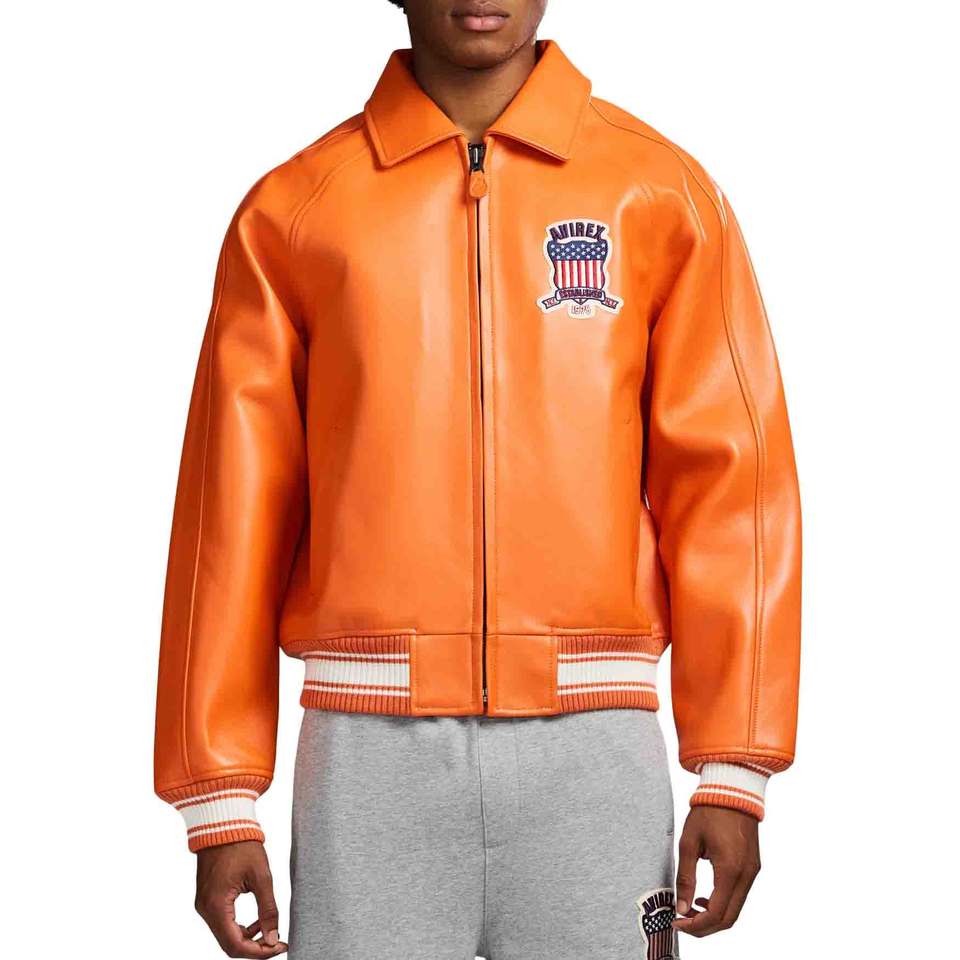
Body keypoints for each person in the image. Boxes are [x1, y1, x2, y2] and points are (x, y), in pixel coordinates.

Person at [154, 1, 802, 957]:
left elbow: (732, 489)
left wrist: (734, 771)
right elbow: (231, 510)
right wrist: (219, 798)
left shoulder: (659, 193)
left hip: (597, 752)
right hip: (367, 759)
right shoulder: (294, 212)